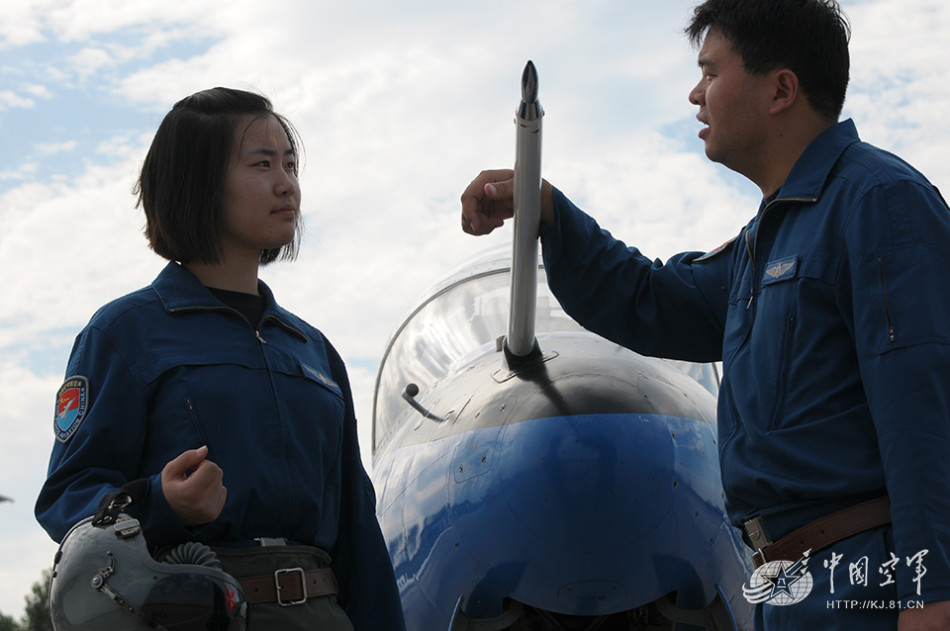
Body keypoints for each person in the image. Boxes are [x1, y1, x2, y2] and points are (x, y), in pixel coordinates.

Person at [460, 1, 950, 629]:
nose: (696, 94)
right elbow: (656, 299)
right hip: (790, 586)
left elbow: (924, 405)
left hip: (864, 584)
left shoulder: (880, 202)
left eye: (711, 73)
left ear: (780, 89)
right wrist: (547, 207)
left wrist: (930, 590)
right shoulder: (762, 243)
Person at [36, 87, 406, 631]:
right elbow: (67, 496)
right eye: (262, 164)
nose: (287, 184)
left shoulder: (315, 352)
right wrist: (159, 502)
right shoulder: (124, 332)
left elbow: (357, 532)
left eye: (290, 164)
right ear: (198, 182)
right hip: (195, 612)